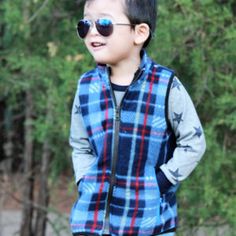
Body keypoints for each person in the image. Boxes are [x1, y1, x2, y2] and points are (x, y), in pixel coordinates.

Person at [69, 0, 206, 235]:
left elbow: (194, 142)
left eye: (103, 23)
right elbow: (80, 145)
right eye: (85, 24)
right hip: (91, 223)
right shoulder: (86, 87)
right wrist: (85, 181)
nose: (92, 31)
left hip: (149, 222)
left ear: (139, 32)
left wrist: (159, 183)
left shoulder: (165, 86)